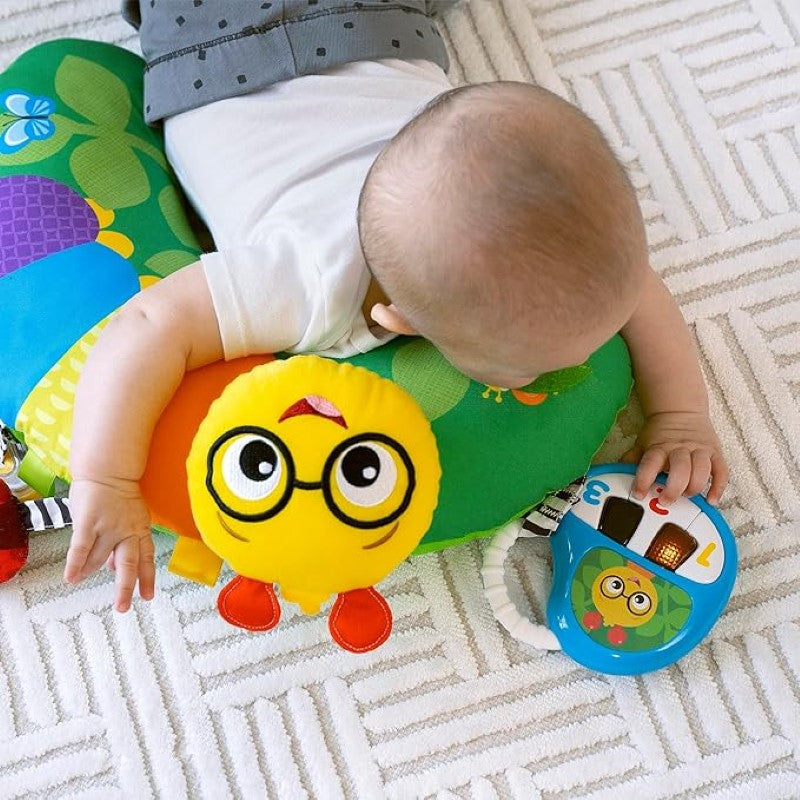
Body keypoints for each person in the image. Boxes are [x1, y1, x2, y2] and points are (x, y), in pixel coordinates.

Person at [64, 0, 728, 612]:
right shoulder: (306, 278)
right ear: (401, 325)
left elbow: (635, 284)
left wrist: (681, 415)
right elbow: (147, 326)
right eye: (523, 367)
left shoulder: (461, 171)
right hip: (219, 40)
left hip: (373, 21)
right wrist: (106, 477)